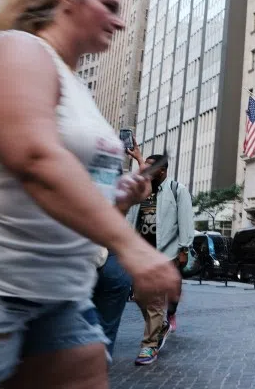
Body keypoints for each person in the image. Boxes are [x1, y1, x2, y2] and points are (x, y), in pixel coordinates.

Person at [0, 0, 181, 388]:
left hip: (59, 294)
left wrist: (122, 195)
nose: (120, 23)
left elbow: (74, 198)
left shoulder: (78, 88)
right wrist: (131, 247)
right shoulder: (15, 50)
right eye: (109, 6)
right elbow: (35, 158)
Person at [125, 153, 194, 365]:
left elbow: (185, 221)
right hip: (140, 252)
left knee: (154, 301)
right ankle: (161, 326)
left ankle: (149, 345)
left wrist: (183, 249)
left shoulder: (177, 190)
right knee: (139, 297)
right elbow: (130, 218)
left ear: (162, 171)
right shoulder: (142, 190)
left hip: (165, 253)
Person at [92, 144, 147, 357]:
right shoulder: (117, 185)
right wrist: (140, 160)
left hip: (88, 254)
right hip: (112, 254)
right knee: (105, 331)